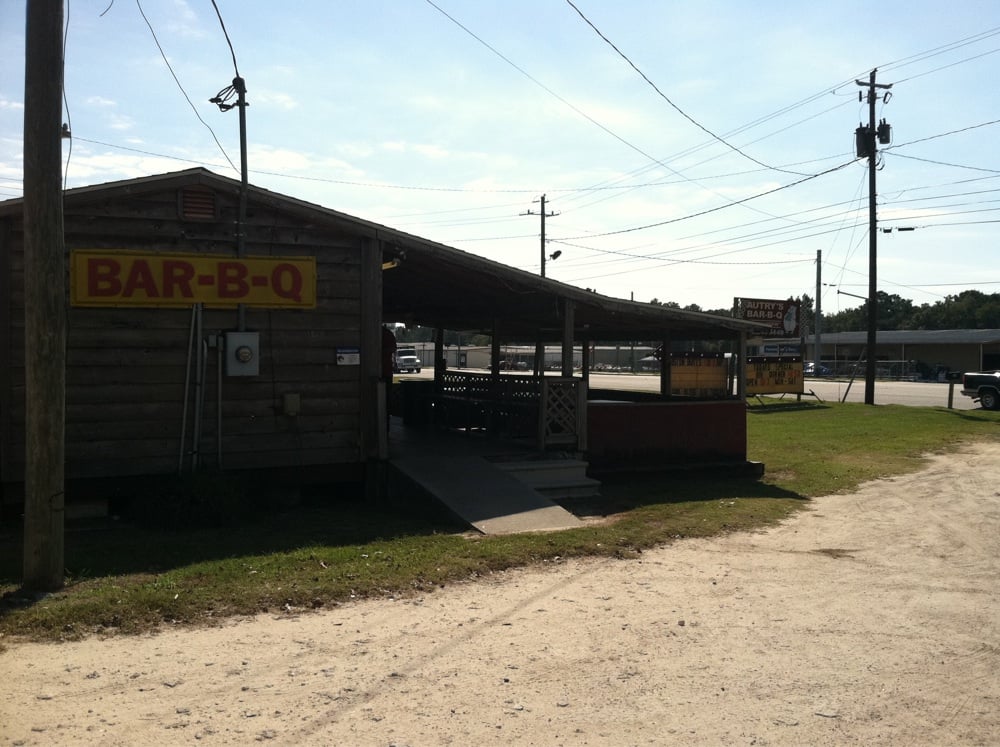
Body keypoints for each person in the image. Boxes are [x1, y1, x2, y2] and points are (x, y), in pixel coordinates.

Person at [381, 325, 397, 424]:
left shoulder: (386, 333)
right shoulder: (387, 333)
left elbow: (392, 348)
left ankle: (385, 427)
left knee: (386, 402)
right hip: (384, 372)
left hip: (385, 372)